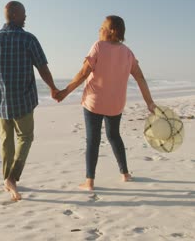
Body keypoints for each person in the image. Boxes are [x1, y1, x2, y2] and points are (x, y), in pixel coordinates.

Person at [56, 15, 156, 190]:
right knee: (114, 136)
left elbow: (83, 73)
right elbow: (140, 77)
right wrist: (150, 103)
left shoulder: (98, 46)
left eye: (102, 26)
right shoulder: (127, 52)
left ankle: (89, 181)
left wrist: (65, 92)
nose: (99, 30)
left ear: (112, 31)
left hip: (94, 103)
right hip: (115, 104)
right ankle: (125, 174)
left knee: (93, 140)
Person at [0, 1, 59, 201]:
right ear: (15, 15)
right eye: (23, 14)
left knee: (6, 141)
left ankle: (7, 178)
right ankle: (12, 178)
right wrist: (53, 88)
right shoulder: (28, 39)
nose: (26, 17)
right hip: (23, 99)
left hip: (1, 100)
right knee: (25, 137)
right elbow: (43, 68)